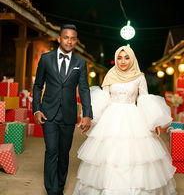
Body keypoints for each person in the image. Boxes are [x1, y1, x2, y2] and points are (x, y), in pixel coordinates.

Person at [73, 46, 176, 195]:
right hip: (111, 118)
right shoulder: (110, 74)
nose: (123, 61)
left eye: (126, 57)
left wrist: (154, 122)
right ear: (116, 59)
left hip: (133, 118)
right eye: (119, 58)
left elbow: (143, 99)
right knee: (108, 155)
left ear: (132, 58)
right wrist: (89, 118)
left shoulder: (139, 76)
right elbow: (104, 98)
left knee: (137, 156)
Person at [33, 24, 93, 195]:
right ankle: (51, 191)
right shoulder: (46, 59)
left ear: (76, 41)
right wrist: (36, 109)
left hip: (68, 114)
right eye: (66, 37)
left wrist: (87, 114)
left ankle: (59, 187)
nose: (69, 41)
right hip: (48, 113)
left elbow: (84, 89)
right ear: (59, 38)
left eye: (73, 38)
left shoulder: (80, 63)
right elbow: (38, 86)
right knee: (51, 150)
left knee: (64, 153)